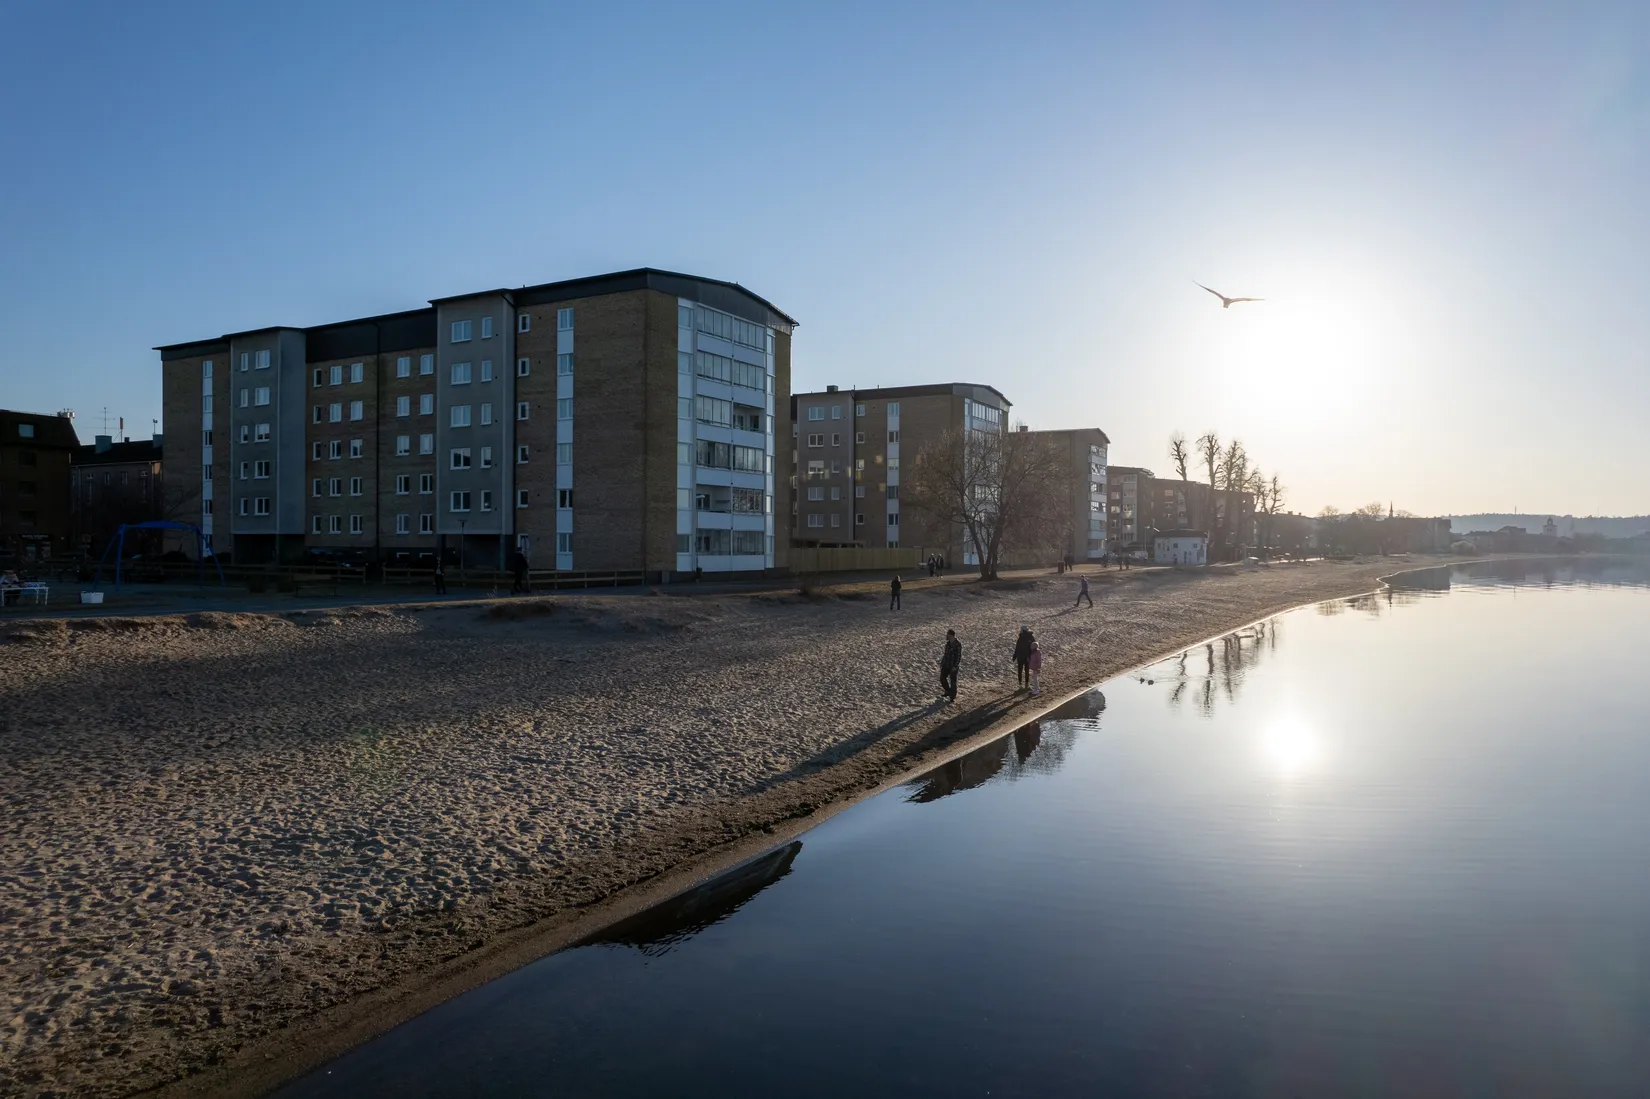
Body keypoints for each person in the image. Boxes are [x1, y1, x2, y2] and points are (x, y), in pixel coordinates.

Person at [939, 628, 962, 702]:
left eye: (948, 635)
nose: (947, 636)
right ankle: (948, 691)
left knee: (953, 681)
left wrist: (955, 666)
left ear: (951, 635)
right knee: (942, 678)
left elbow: (958, 656)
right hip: (946, 664)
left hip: (953, 665)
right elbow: (945, 655)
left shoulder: (958, 644)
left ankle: (952, 697)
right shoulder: (948, 644)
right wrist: (942, 663)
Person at [1012, 625, 1035, 690]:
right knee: (1026, 670)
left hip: (1021, 656)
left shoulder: (1021, 638)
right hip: (1027, 656)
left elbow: (1017, 648)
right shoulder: (1031, 637)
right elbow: (1033, 647)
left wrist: (1015, 656)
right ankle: (1026, 684)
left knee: (1020, 670)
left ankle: (1020, 684)